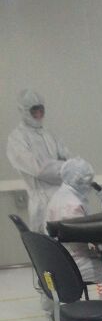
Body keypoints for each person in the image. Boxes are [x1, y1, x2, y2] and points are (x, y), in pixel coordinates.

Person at [45, 158, 102, 304]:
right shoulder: (71, 204)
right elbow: (79, 234)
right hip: (74, 261)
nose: (90, 185)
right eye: (89, 181)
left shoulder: (62, 195)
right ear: (82, 180)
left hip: (64, 257)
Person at [7, 89, 69, 234]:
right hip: (42, 203)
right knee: (48, 244)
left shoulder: (49, 133)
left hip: (63, 198)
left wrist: (60, 167)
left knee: (69, 241)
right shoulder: (17, 138)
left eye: (41, 110)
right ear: (24, 111)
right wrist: (62, 167)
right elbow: (38, 170)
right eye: (35, 111)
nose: (39, 114)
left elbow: (67, 160)